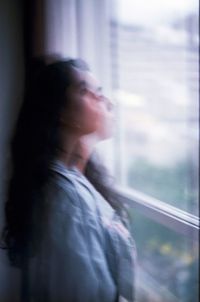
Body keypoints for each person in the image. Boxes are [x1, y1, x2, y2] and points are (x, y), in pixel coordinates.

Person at [2, 57, 136, 302]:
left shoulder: (74, 181)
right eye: (88, 91)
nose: (106, 101)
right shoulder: (66, 198)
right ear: (61, 111)